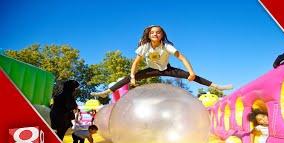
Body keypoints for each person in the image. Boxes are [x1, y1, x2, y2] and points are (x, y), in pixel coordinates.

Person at [91, 25, 233, 98]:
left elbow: (182, 57)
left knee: (192, 76)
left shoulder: (167, 46)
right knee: (129, 78)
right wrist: (133, 77)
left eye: (158, 32)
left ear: (162, 35)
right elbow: (135, 63)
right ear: (149, 35)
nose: (155, 34)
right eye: (152, 32)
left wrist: (191, 72)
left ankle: (217, 86)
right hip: (151, 69)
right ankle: (107, 91)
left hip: (167, 68)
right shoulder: (144, 46)